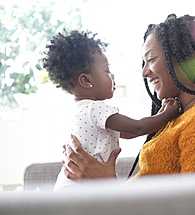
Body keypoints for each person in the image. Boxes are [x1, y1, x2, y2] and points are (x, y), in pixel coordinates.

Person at [63, 14, 195, 182]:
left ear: (187, 55)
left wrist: (107, 184)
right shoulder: (178, 115)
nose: (144, 72)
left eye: (151, 59)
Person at [43, 30, 179, 190]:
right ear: (86, 80)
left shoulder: (81, 110)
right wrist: (167, 114)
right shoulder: (95, 108)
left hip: (71, 184)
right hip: (81, 186)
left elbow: (128, 133)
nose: (112, 76)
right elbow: (137, 127)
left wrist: (159, 117)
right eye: (107, 71)